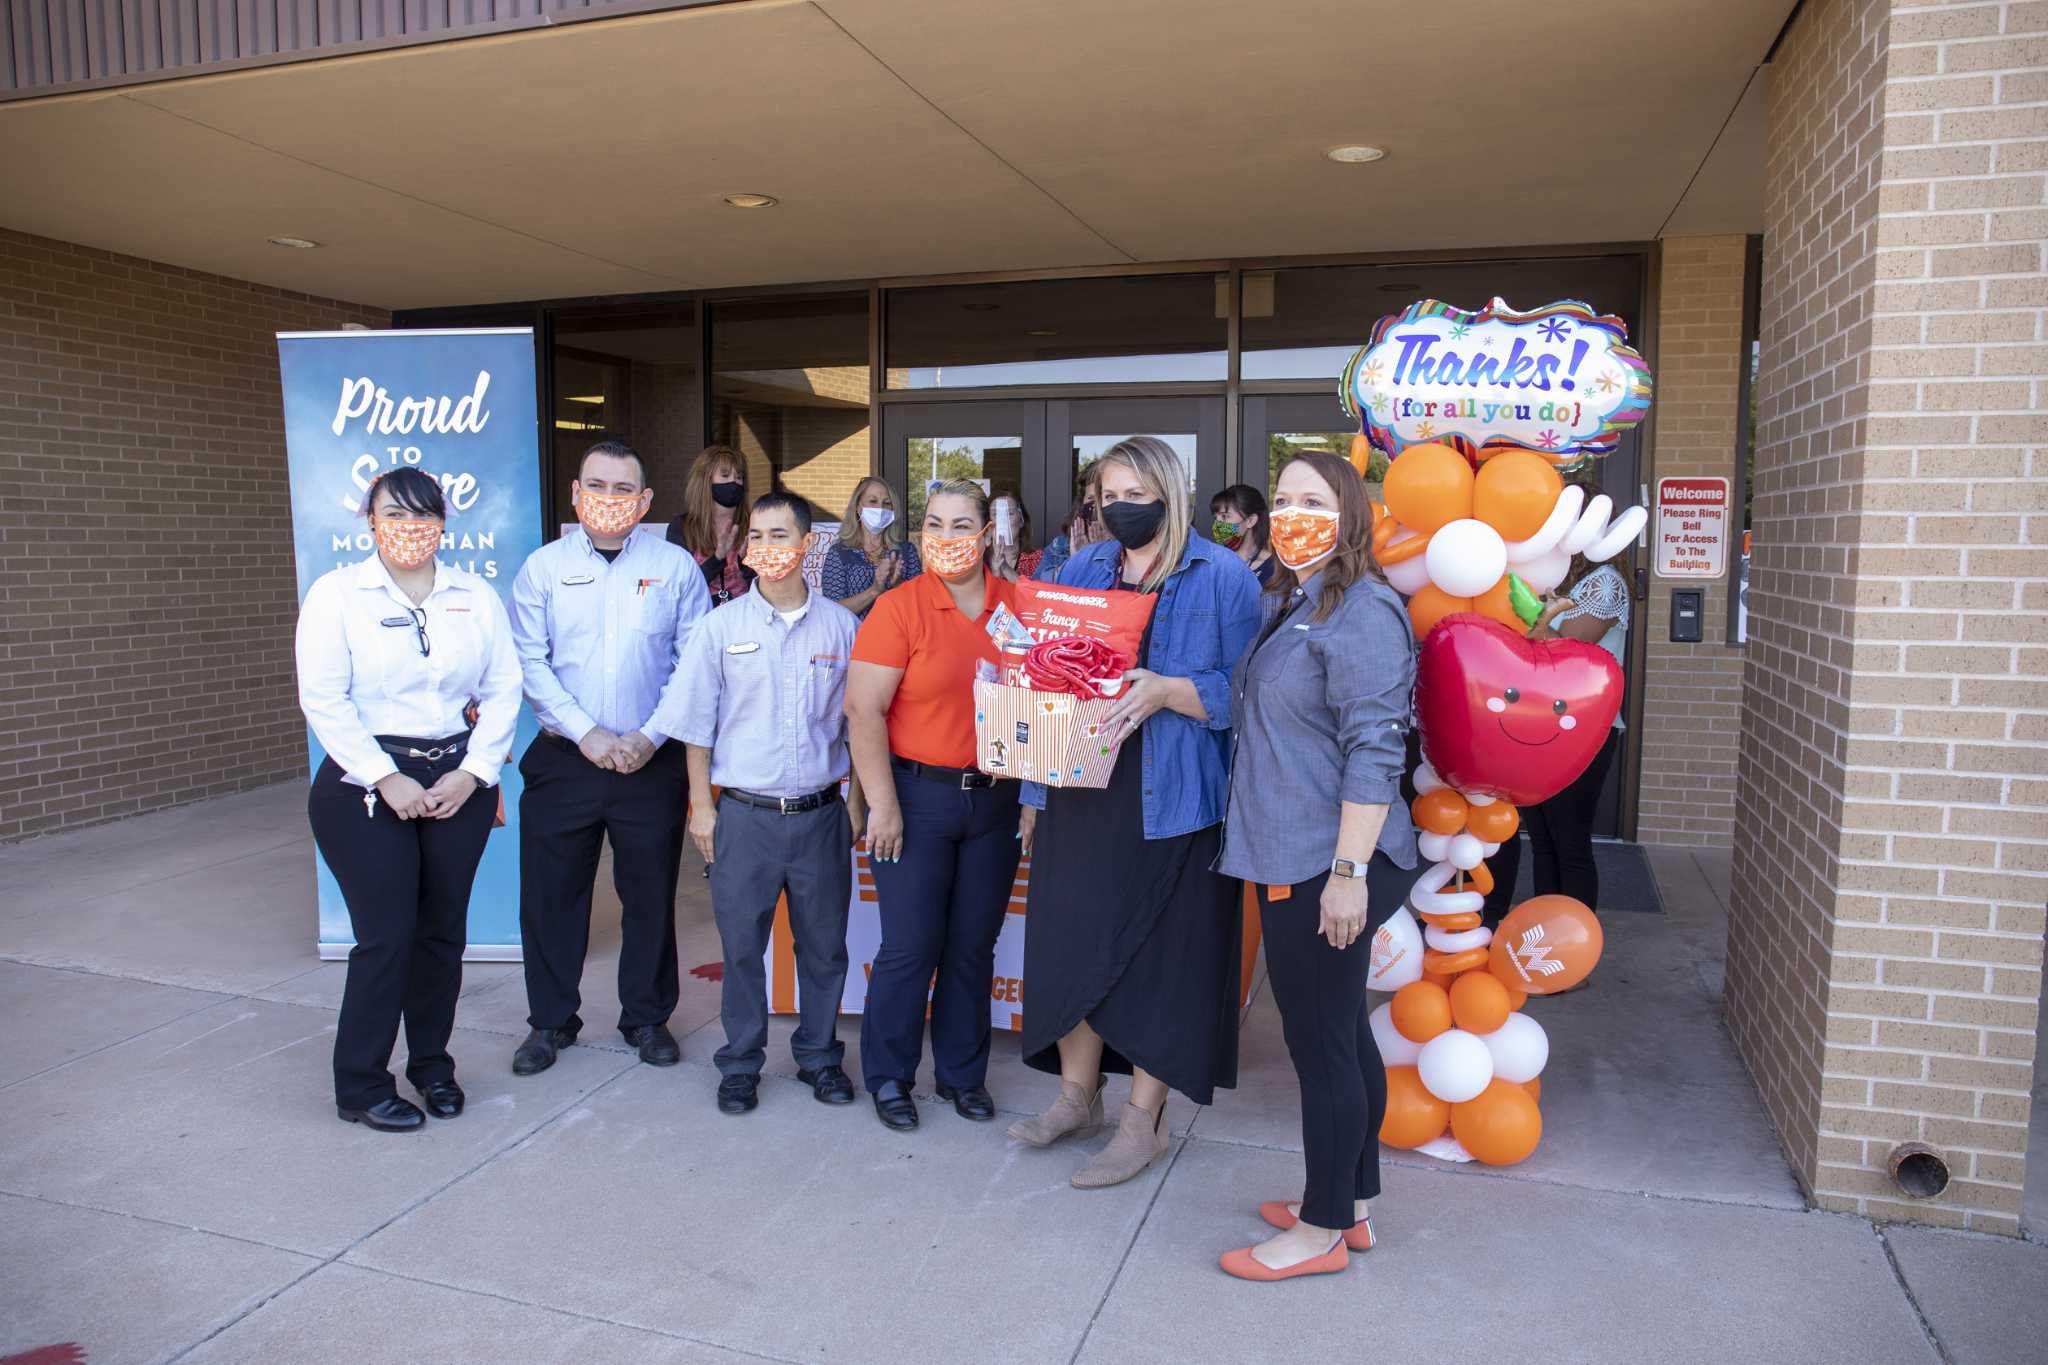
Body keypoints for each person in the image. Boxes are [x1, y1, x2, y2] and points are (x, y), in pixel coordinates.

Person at [1010, 437, 1261, 1187]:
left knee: (1159, 965)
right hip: (1080, 789)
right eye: (1109, 496)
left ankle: (1139, 1124)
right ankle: (1076, 1099)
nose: (1121, 508)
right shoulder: (1083, 568)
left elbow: (1248, 692)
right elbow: (1045, 684)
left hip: (1174, 800)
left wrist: (1169, 691)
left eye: (1135, 495)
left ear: (1170, 493)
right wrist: (1033, 794)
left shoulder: (1223, 575)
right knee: (1072, 946)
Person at [1214, 448, 1421, 1280]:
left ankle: (1322, 1229)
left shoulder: (1363, 610)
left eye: (1313, 500)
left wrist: (1346, 875)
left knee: (1321, 1045)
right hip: (1297, 851)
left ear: (1349, 516)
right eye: (1284, 498)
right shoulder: (1302, 599)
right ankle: (1351, 1202)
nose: (1292, 514)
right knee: (1341, 1034)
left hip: (1327, 861)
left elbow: (1376, 748)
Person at [296, 467, 522, 1132]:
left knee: (441, 935)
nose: (409, 527)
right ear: (370, 521)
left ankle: (432, 1066)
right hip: (364, 787)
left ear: (443, 522)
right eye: (393, 514)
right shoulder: (338, 595)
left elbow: (504, 688)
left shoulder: (473, 595)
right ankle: (361, 1084)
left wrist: (475, 772)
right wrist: (382, 775)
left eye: (422, 514)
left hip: (457, 781)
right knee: (386, 937)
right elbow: (323, 698)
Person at [506, 441, 711, 1076]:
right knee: (551, 898)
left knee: (649, 898)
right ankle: (549, 1021)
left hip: (650, 763)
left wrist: (649, 736)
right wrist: (586, 733)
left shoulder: (675, 568)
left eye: (623, 489)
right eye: (596, 485)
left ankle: (647, 1018)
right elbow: (529, 661)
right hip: (565, 760)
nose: (609, 499)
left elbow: (693, 664)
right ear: (575, 493)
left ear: (644, 501)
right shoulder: (542, 569)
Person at [675, 492, 862, 1115]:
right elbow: (696, 726)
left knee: (825, 949)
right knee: (740, 949)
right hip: (744, 817)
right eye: (756, 535)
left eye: (779, 535)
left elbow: (859, 726)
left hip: (820, 816)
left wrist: (857, 801)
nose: (766, 547)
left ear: (807, 545)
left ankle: (819, 1057)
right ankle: (740, 1063)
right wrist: (702, 808)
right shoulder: (720, 627)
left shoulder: (842, 628)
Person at [845, 479, 1023, 1132]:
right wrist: (883, 805)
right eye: (936, 525)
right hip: (915, 799)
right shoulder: (900, 608)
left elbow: (1039, 705)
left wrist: (1032, 797)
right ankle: (890, 1076)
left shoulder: (1018, 607)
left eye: (962, 525)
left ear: (986, 534)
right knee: (911, 946)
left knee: (973, 947)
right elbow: (863, 710)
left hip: (995, 803)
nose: (948, 537)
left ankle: (961, 1075)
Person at [666, 445, 753, 606]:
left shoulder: (753, 526)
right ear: (705, 481)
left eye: (739, 477)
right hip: (700, 618)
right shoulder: (682, 527)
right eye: (725, 475)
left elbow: (768, 588)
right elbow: (680, 588)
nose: (734, 482)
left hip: (745, 617)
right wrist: (718, 558)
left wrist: (747, 566)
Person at [822, 475, 921, 616]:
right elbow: (831, 611)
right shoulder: (839, 553)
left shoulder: (906, 551)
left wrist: (897, 583)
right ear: (858, 507)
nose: (880, 508)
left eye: (887, 503)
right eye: (873, 501)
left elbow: (919, 603)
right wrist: (874, 590)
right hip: (856, 631)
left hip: (895, 630)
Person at [1036, 463, 1102, 579]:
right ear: (1082, 502)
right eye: (1091, 498)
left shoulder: (1127, 549)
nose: (1097, 506)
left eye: (1104, 498)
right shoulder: (1060, 545)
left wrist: (1103, 553)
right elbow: (1036, 585)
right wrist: (1076, 561)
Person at [1210, 483, 1278, 586]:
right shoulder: (1213, 564)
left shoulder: (1273, 569)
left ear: (1250, 521)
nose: (1217, 524)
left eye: (1225, 516)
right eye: (1216, 518)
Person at [989, 490, 1043, 580]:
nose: (1003, 520)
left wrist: (1005, 567)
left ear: (1021, 520)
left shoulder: (1037, 559)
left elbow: (1033, 588)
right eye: (995, 514)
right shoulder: (980, 561)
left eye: (1009, 513)